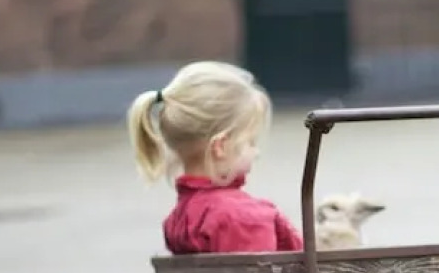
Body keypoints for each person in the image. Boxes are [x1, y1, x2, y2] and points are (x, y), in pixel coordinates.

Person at [127, 60, 305, 254]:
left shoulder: (180, 219)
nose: (257, 153)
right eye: (250, 142)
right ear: (220, 146)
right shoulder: (244, 218)